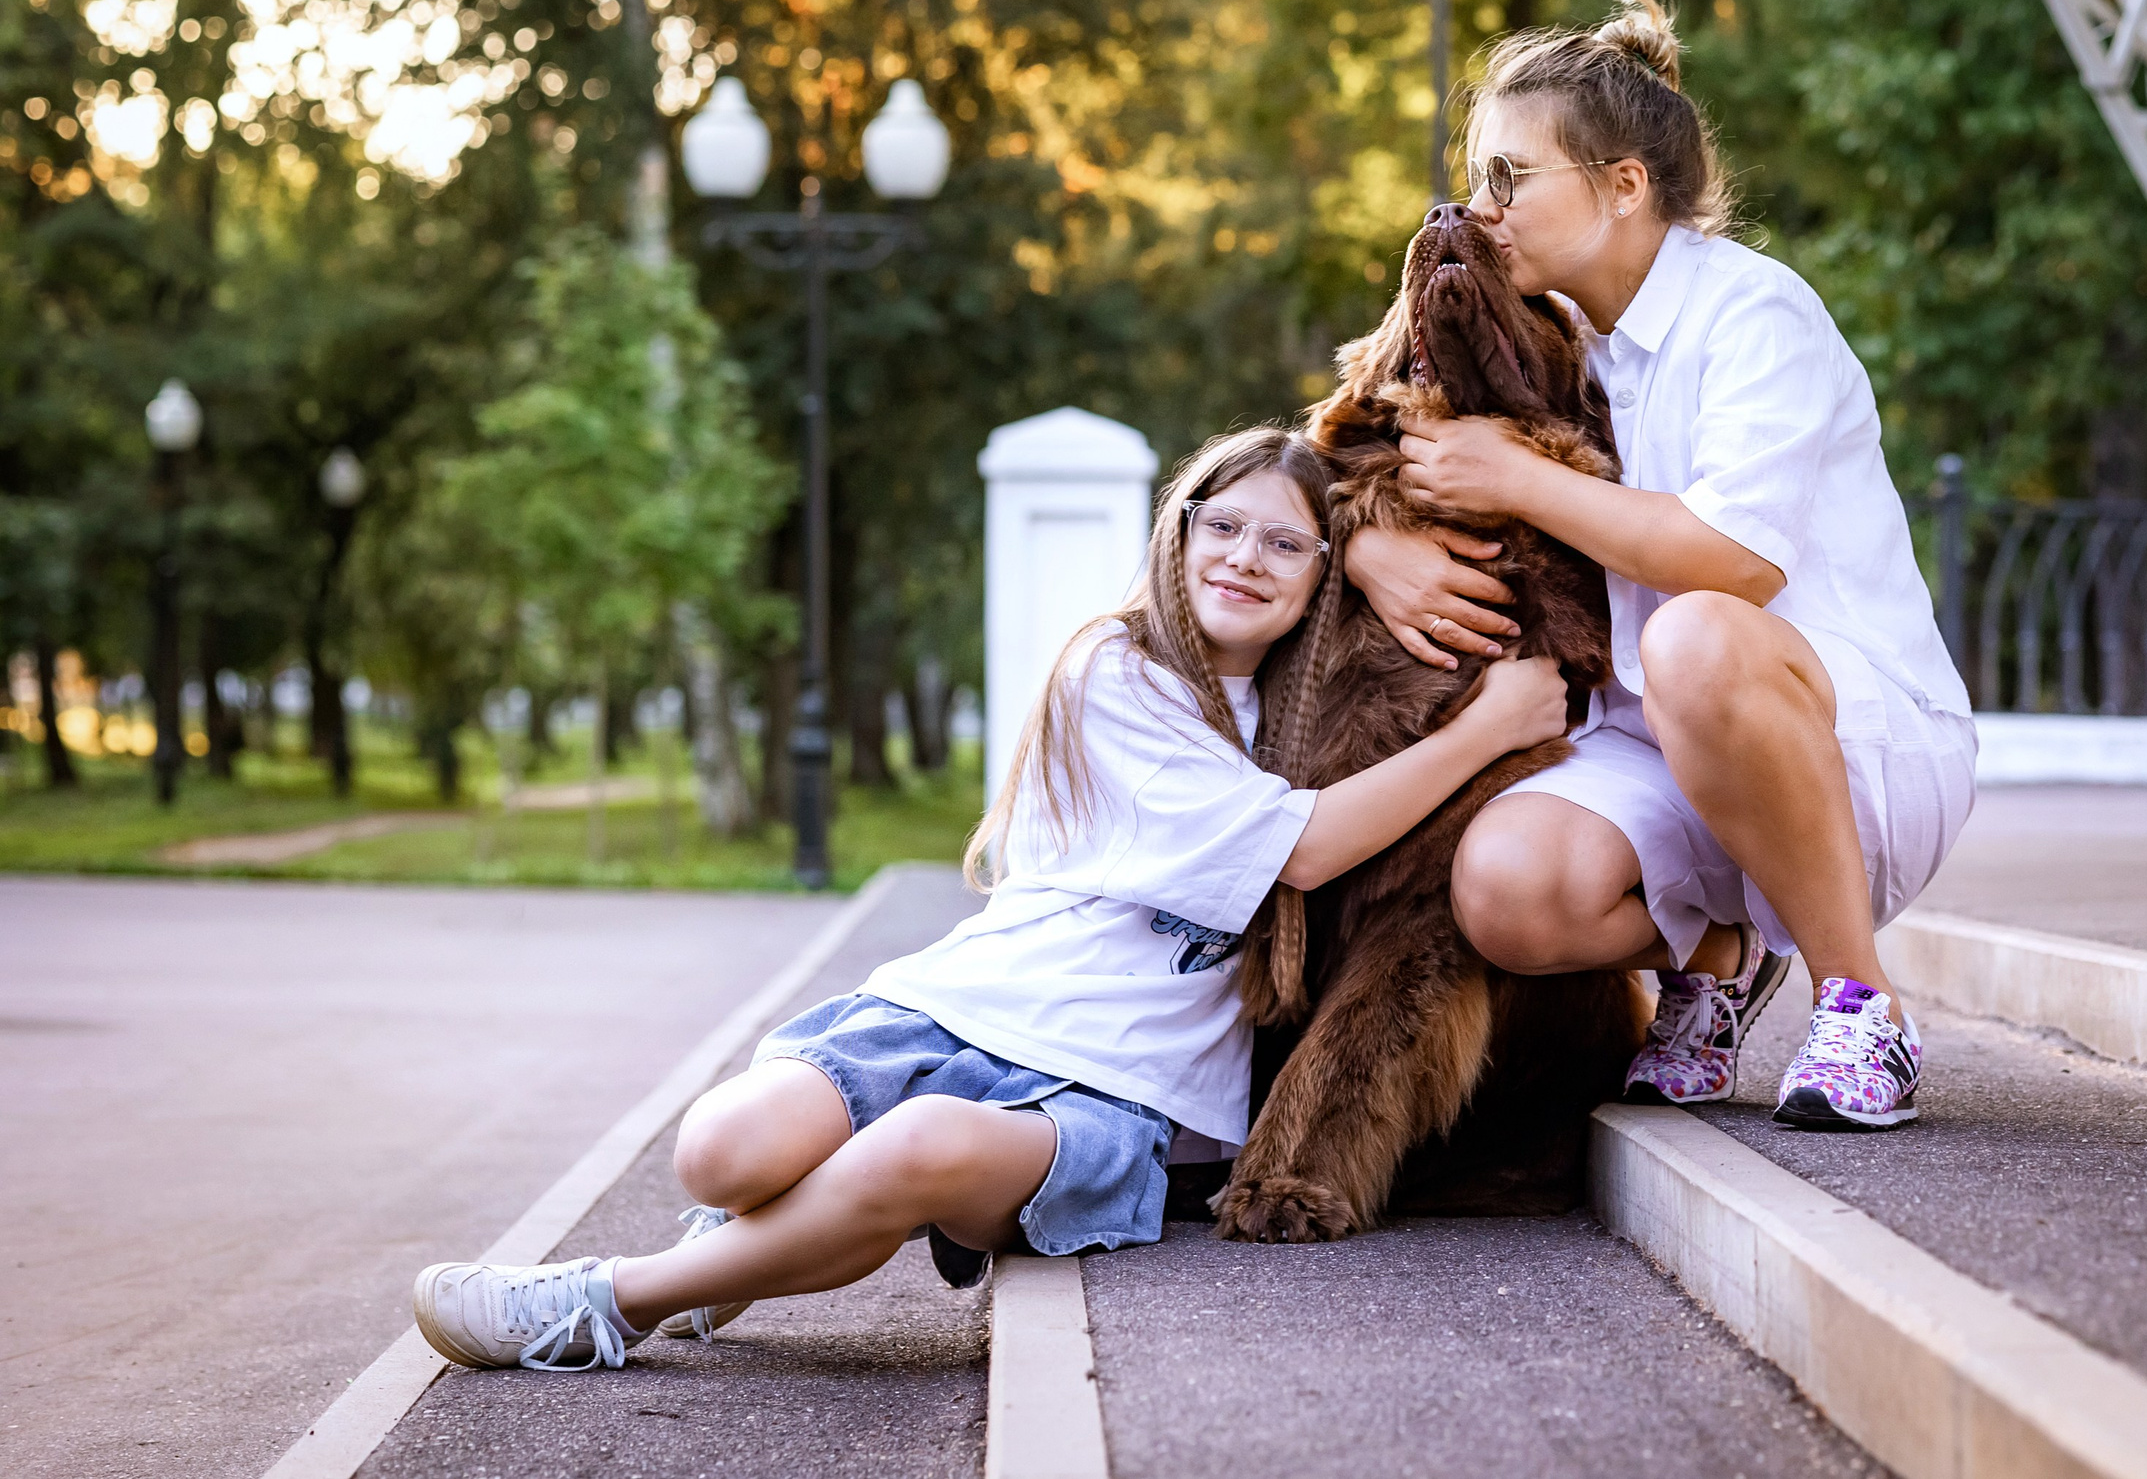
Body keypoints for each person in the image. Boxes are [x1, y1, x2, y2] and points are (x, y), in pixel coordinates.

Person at [410, 426, 1570, 1371]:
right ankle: (759, 1244)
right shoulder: (1112, 670)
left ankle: (610, 1300)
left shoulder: (1320, 718)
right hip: (954, 1007)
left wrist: (1366, 545)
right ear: (1177, 531)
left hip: (1117, 1079)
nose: (1245, 558)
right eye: (1221, 524)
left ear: (1325, 574)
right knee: (720, 1152)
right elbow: (1303, 854)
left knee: (912, 1149)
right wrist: (1489, 727)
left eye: (1287, 544)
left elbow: (1354, 443)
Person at [1356, 0, 1976, 1131]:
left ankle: (1862, 1001)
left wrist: (1519, 478)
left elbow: (1731, 564)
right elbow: (1359, 437)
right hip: (1660, 747)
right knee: (1503, 889)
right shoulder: (1552, 338)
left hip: (1845, 743)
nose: (1480, 208)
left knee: (1688, 631)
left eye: (1510, 178)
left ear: (1625, 185)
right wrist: (1367, 551)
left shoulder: (1754, 317)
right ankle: (1726, 949)